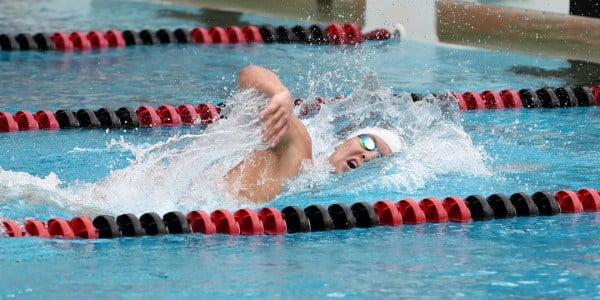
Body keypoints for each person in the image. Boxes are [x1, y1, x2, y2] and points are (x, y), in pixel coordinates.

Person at [224, 65, 403, 203]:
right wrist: (280, 93)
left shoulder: (321, 197)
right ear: (342, 142)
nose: (369, 155)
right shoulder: (299, 149)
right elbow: (248, 74)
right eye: (368, 142)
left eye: (379, 157)